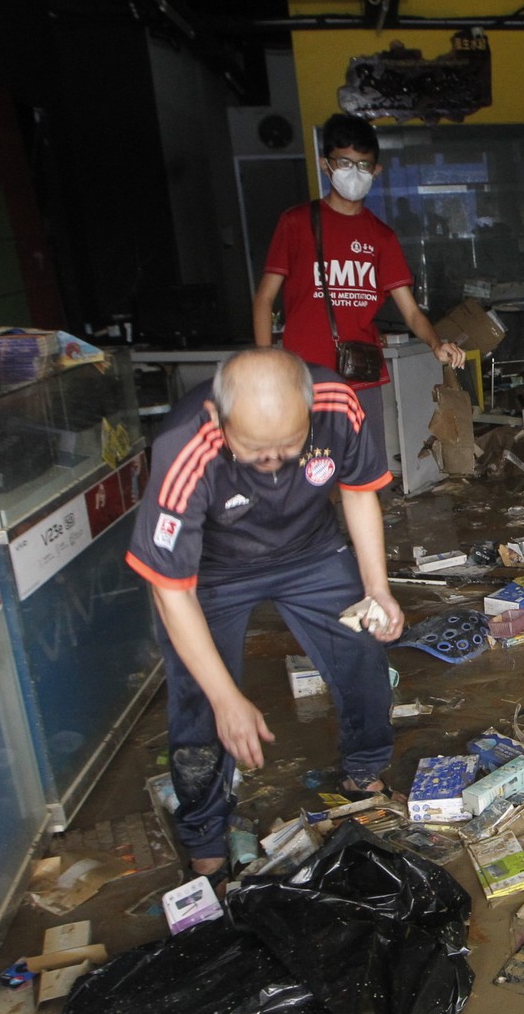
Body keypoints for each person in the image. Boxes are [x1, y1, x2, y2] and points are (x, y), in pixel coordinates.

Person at [125, 347, 408, 883]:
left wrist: (378, 590)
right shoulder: (185, 445)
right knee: (199, 696)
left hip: (312, 552)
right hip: (211, 571)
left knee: (362, 650)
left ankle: (364, 771)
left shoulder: (335, 402)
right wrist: (228, 698)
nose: (275, 460)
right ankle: (207, 836)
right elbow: (169, 591)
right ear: (219, 419)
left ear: (307, 409)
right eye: (257, 449)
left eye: (289, 445)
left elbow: (357, 492)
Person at [251, 112, 467, 480]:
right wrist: (265, 366)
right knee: (310, 477)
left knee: (366, 475)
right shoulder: (297, 223)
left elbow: (411, 311)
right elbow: (264, 299)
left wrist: (436, 343)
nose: (354, 172)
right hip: (304, 378)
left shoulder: (381, 237)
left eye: (363, 165)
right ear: (326, 165)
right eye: (345, 162)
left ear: (376, 171)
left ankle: (366, 537)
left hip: (360, 377)